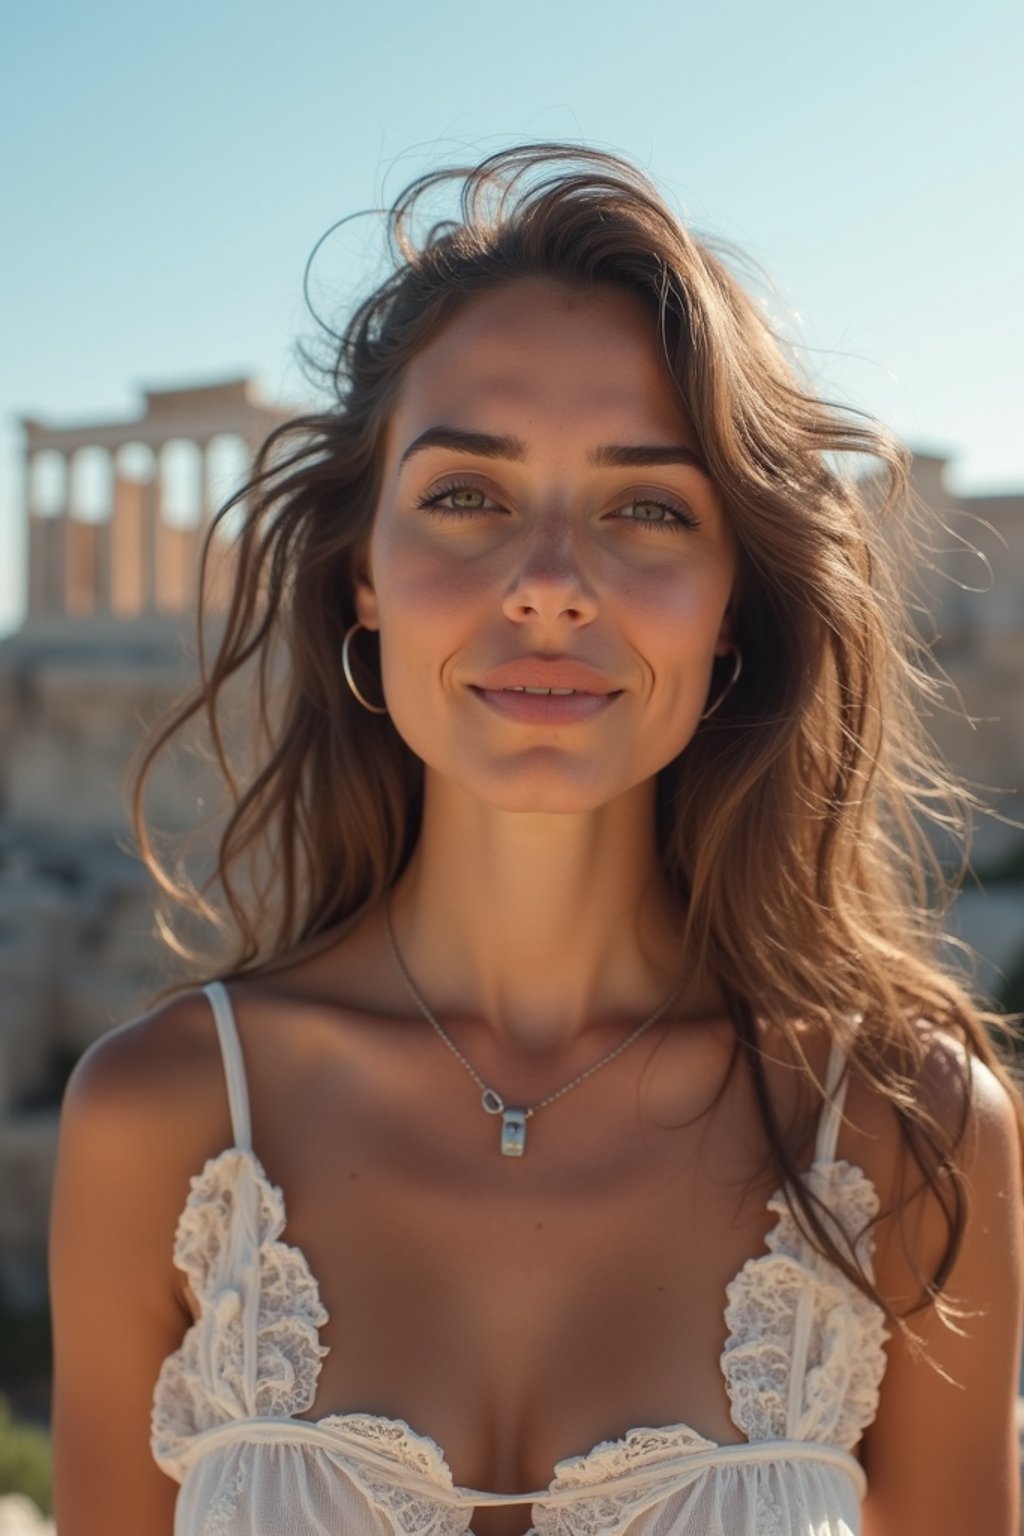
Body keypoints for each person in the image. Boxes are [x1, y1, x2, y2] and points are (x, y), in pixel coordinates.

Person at [49, 144, 1023, 1536]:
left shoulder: (908, 1128)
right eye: (466, 496)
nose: (552, 584)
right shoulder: (161, 1117)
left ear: (735, 602)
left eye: (647, 508)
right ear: (363, 577)